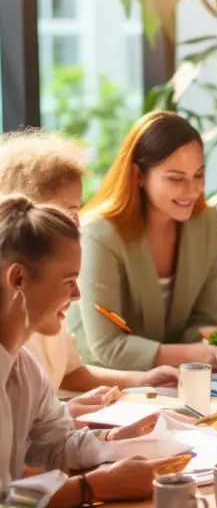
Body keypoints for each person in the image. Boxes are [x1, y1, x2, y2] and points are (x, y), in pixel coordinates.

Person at [0, 195, 189, 508]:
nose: (77, 295)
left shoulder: (24, 366)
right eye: (69, 281)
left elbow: (58, 444)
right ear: (18, 279)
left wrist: (116, 438)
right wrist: (93, 487)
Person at [0, 129, 179, 421]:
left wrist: (142, 380)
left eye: (78, 209)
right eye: (68, 210)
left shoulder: (48, 302)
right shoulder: (15, 316)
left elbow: (72, 373)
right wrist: (63, 418)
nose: (77, 222)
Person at [68, 110, 217, 372]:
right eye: (176, 179)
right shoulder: (100, 235)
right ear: (138, 176)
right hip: (102, 385)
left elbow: (199, 321)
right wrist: (193, 353)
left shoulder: (206, 223)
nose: (192, 191)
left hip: (170, 382)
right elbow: (107, 347)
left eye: (198, 175)